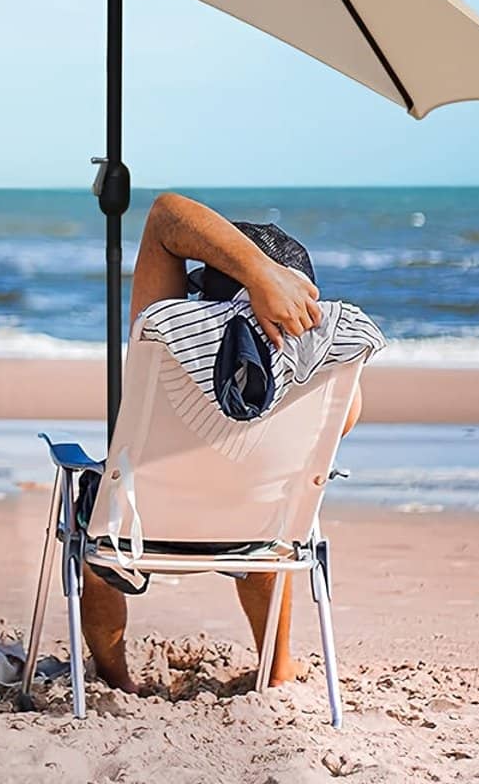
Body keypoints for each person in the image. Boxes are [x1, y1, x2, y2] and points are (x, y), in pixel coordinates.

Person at [81, 192, 365, 694]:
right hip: (255, 533)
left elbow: (166, 214)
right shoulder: (325, 379)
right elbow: (337, 423)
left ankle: (114, 678)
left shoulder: (163, 341)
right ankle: (276, 667)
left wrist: (256, 275)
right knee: (274, 502)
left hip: (142, 530)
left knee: (97, 529)